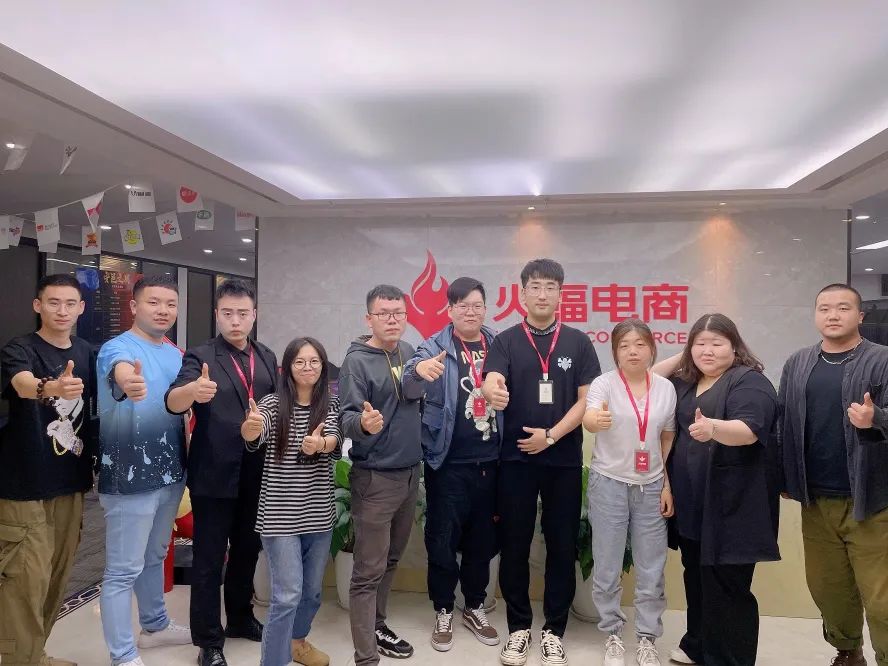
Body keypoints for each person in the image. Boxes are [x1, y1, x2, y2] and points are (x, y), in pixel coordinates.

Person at [481, 258, 601, 666]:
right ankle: (518, 628)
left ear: (561, 294)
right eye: (535, 286)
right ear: (522, 293)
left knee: (562, 544)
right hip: (515, 458)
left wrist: (550, 436)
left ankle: (553, 630)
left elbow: (587, 400)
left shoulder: (579, 342)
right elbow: (491, 379)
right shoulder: (505, 341)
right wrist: (492, 390)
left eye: (551, 287)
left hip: (563, 459)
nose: (543, 294)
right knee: (514, 543)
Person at [165, 279, 278, 666]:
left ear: (254, 315)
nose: (235, 321)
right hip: (213, 474)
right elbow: (172, 401)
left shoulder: (265, 356)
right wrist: (192, 392)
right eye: (227, 313)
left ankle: (241, 618)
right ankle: (209, 641)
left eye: (242, 313)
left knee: (247, 551)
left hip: (256, 472)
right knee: (209, 560)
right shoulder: (200, 356)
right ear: (217, 315)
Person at [658, 313, 779, 666]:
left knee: (727, 584)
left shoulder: (749, 382)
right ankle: (698, 644)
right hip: (692, 502)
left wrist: (714, 428)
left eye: (717, 343)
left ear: (735, 347)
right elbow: (650, 379)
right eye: (700, 343)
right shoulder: (687, 381)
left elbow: (750, 430)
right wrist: (686, 355)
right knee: (696, 576)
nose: (707, 351)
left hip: (732, 504)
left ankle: (729, 658)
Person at [778, 283, 888, 666]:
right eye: (824, 308)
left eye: (843, 307)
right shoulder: (798, 363)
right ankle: (848, 651)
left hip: (872, 499)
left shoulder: (882, 359)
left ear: (860, 315)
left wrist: (877, 418)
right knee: (828, 587)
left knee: (881, 596)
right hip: (816, 499)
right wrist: (785, 478)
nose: (833, 315)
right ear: (815, 315)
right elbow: (783, 424)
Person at [0, 274, 96, 666]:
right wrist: (51, 388)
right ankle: (18, 660)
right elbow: (22, 384)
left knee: (56, 575)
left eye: (70, 303)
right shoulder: (19, 348)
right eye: (53, 302)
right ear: (38, 305)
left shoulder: (87, 351)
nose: (62, 310)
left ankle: (34, 653)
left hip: (70, 482)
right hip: (23, 484)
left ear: (81, 308)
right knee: (25, 577)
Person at [403, 277, 502, 652]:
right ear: (450, 310)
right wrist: (418, 372)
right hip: (447, 461)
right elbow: (410, 381)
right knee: (442, 540)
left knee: (482, 540)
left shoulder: (499, 345)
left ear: (485, 309)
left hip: (491, 461)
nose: (470, 312)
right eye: (462, 306)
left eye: (477, 305)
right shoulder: (434, 346)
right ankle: (444, 608)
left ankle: (474, 606)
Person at [97, 275, 190, 666]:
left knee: (155, 554)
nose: (163, 310)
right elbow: (121, 373)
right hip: (129, 478)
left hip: (171, 474)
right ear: (134, 306)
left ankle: (155, 626)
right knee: (123, 569)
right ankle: (122, 654)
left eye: (170, 304)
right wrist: (129, 382)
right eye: (154, 302)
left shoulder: (176, 354)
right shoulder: (117, 348)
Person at [241, 336, 342, 666]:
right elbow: (255, 432)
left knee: (311, 593)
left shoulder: (330, 404)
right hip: (279, 516)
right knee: (286, 596)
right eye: (300, 361)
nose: (307, 367)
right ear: (288, 368)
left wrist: (320, 445)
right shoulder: (272, 404)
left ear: (323, 366)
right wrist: (250, 428)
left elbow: (334, 438)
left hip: (318, 515)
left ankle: (297, 643)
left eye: (314, 361)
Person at [582, 319, 676, 666]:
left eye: (640, 344)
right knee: (607, 565)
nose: (632, 351)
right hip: (609, 484)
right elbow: (590, 416)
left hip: (651, 486)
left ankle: (647, 637)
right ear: (615, 352)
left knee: (652, 566)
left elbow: (667, 435)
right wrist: (595, 421)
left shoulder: (665, 388)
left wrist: (665, 482)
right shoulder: (604, 384)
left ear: (652, 348)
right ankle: (612, 634)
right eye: (624, 345)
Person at [338, 284, 422, 666]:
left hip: (409, 474)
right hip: (375, 479)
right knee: (367, 572)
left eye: (398, 313)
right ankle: (366, 658)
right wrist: (364, 424)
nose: (392, 320)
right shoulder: (356, 362)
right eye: (384, 313)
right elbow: (346, 419)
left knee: (389, 561)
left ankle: (378, 626)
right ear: (368, 318)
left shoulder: (408, 351)